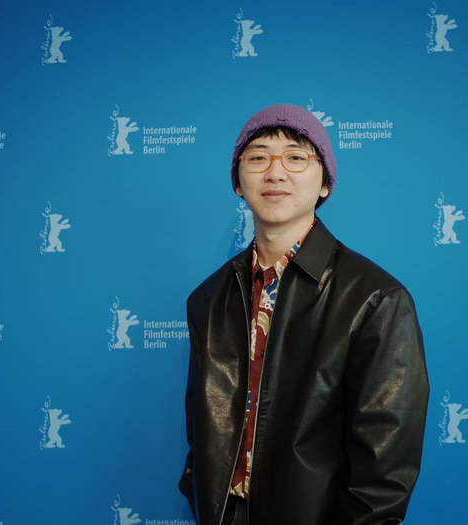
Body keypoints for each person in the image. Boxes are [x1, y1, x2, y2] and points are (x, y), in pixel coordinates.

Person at [178, 103, 430, 525]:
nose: (275, 173)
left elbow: (385, 470)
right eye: (258, 157)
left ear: (325, 182)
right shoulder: (209, 297)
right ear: (238, 182)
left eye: (296, 157)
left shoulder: (375, 298)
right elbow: (201, 427)